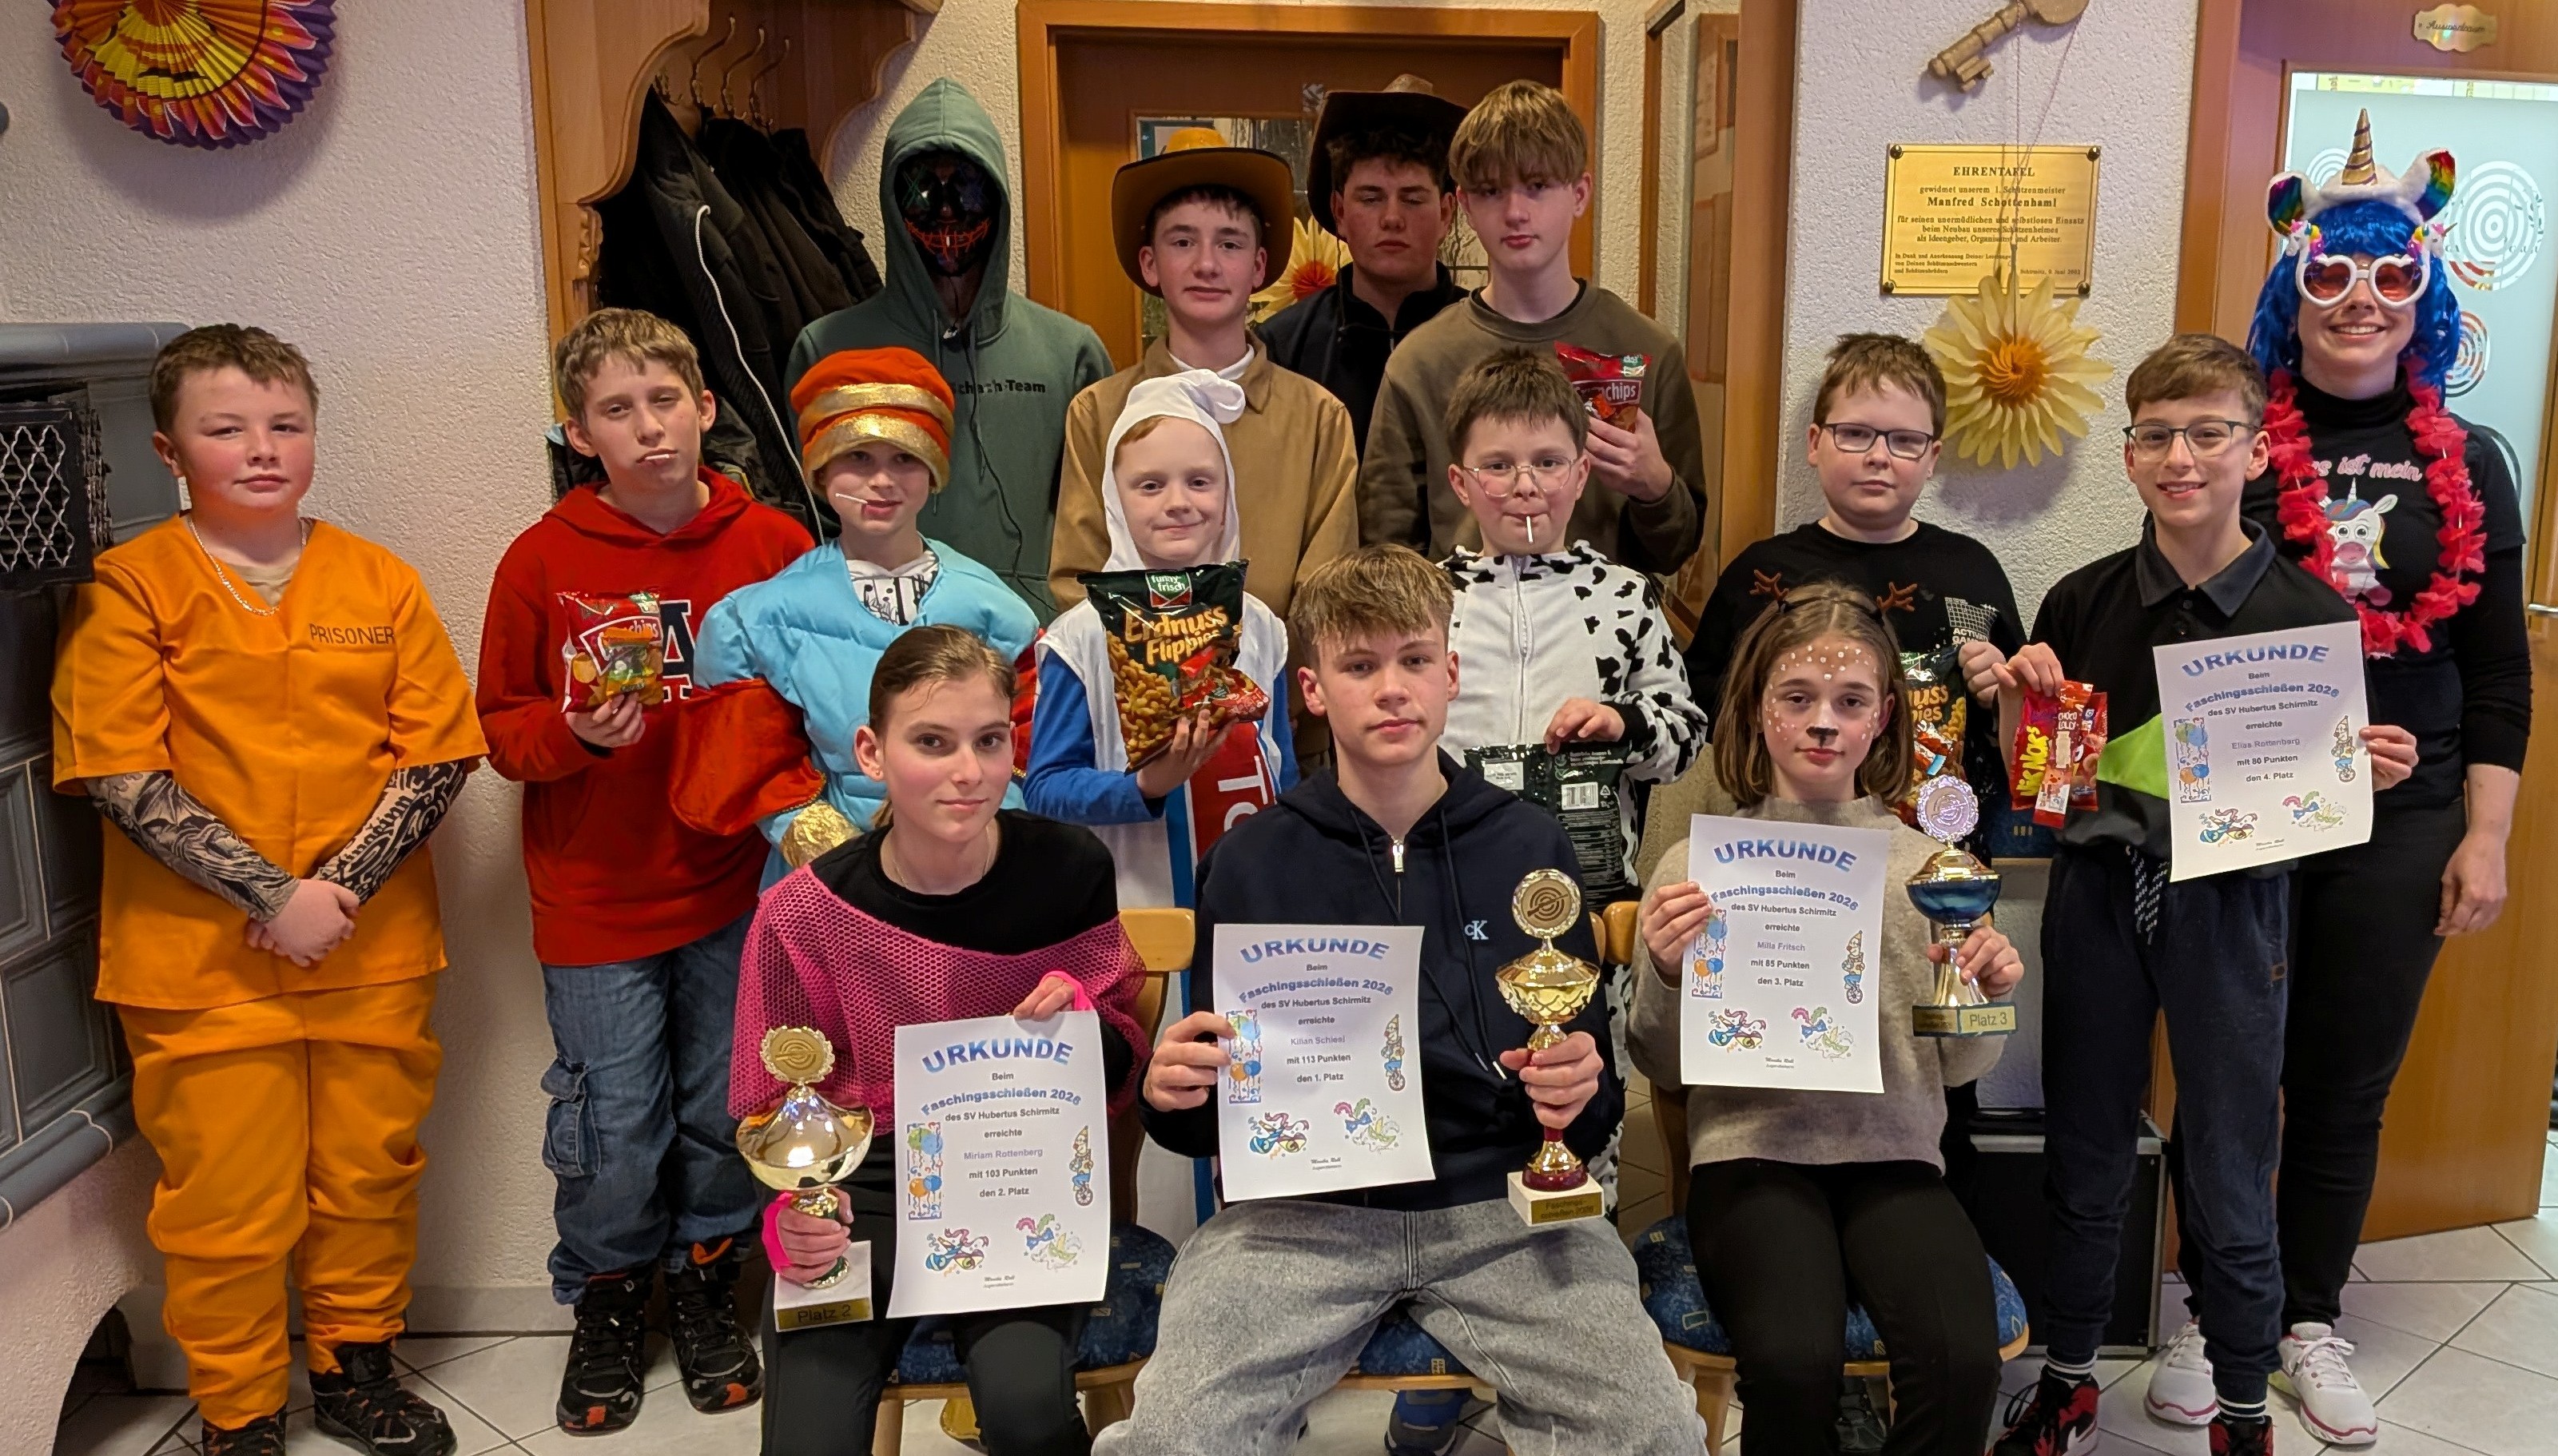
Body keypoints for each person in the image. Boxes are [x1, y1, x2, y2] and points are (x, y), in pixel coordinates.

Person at [1092, 545, 1713, 1456]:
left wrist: (1578, 1088)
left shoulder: (1529, 845)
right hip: (1296, 1219)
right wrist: (1172, 1091)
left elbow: (1590, 1111)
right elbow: (1212, 1113)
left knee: (1652, 1430)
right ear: (1312, 689)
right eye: (1359, 665)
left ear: (1449, 673)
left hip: (1503, 1208)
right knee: (1174, 1438)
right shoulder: (1251, 861)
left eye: (1414, 659)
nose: (1392, 689)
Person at [53, 325, 485, 1456]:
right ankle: (239, 1409)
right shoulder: (128, 587)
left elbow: (438, 753)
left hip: (370, 947)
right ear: (168, 451)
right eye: (226, 428)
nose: (260, 448)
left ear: (313, 437)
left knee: (368, 1174)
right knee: (228, 1201)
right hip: (197, 965)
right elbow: (121, 773)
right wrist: (267, 896)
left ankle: (354, 1368)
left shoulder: (379, 579)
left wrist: (331, 893)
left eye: (285, 425)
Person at [1988, 335, 2421, 1456]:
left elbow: (2320, 805)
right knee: (2087, 1144)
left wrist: (2362, 774)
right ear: (2129, 455)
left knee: (2230, 1159)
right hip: (2100, 891)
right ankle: (2071, 1374)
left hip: (2234, 908)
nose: (2181, 457)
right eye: (2157, 435)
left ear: (2256, 450)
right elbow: (2049, 791)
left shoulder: (2311, 615)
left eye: (2209, 433)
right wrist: (2019, 713)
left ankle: (2240, 1405)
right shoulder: (2081, 599)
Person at [2220, 113, 2532, 1446]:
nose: (2360, 298)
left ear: (2426, 291)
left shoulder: (2471, 461)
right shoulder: (2233, 443)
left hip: (2406, 808)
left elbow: (2500, 670)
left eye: (2391, 272)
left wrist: (2485, 837)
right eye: (2331, 272)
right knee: (2231, 1067)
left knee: (2344, 1079)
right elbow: (2194, 634)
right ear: (2292, 287)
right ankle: (2221, 1307)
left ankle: (2305, 1314)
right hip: (2252, 790)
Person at [478, 308, 813, 1434]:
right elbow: (501, 730)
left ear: (706, 407)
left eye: (665, 400)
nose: (649, 427)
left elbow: (819, 693)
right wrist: (576, 734)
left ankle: (711, 1278)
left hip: (736, 882)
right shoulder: (541, 559)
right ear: (581, 434)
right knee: (612, 1118)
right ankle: (611, 1296)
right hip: (596, 894)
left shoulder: (772, 543)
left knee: (725, 1101)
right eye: (617, 410)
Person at [733, 625, 1150, 1456]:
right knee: (810, 1437)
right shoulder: (803, 913)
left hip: (1019, 1174)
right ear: (871, 752)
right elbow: (769, 1105)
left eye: (989, 741)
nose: (969, 772)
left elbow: (1119, 1063)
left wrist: (1083, 1025)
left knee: (1027, 1409)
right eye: (932, 742)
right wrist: (791, 1213)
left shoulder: (1069, 869)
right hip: (864, 1188)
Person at [1626, 582, 2022, 1455]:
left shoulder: (1932, 871)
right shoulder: (1696, 866)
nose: (1822, 723)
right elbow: (1658, 1059)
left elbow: (1961, 1071)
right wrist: (1666, 971)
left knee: (1960, 1362)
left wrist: (1986, 996)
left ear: (1883, 717)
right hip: (1750, 1157)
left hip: (1896, 1156)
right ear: (1756, 710)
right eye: (1797, 698)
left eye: (1848, 702)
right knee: (1793, 1362)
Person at [695, 346, 1040, 871]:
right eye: (858, 457)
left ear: (933, 471)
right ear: (821, 468)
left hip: (975, 865)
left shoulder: (997, 611)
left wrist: (982, 839)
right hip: (834, 875)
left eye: (905, 458)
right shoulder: (758, 621)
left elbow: (1025, 751)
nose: (882, 480)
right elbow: (754, 763)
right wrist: (828, 847)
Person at [788, 77, 1112, 619]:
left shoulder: (1069, 352)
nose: (945, 213)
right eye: (922, 190)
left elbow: (1103, 520)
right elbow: (808, 514)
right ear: (893, 201)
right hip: (879, 639)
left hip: (1035, 636)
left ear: (997, 196)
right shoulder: (828, 347)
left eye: (965, 189)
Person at [1362, 80, 1707, 580]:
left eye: (1538, 185)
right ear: (1465, 206)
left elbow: (1676, 552)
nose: (1516, 212)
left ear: (1579, 194)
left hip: (1606, 623)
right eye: (1491, 191)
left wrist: (1656, 487)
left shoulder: (1644, 350)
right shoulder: (1420, 363)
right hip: (1462, 623)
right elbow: (1387, 551)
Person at [1686, 335, 2022, 829]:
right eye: (1855, 433)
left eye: (1905, 440)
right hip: (1786, 838)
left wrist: (1998, 694)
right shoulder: (1761, 575)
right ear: (1814, 443)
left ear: (1932, 457)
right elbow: (1703, 707)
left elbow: (2021, 738)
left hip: (1936, 843)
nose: (1879, 456)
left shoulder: (1972, 573)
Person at [1048, 131, 1360, 625]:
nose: (1207, 265)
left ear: (1258, 266)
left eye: (1230, 244)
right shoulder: (1098, 414)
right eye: (1183, 242)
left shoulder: (1319, 419)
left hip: (1280, 672)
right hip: (1132, 673)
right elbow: (1078, 582)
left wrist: (1256, 663)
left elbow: (1329, 593)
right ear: (1150, 263)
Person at [1024, 368, 1298, 908]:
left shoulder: (1261, 625)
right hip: (1133, 905)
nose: (1178, 502)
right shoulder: (1080, 637)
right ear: (1114, 497)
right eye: (1150, 485)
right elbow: (1046, 788)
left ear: (1228, 491)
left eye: (1199, 481)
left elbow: (1282, 771)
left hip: (1245, 902)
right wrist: (1146, 786)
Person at [1259, 77, 1470, 452]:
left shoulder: (1486, 340)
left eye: (1413, 200)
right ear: (1340, 212)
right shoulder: (1284, 348)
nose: (1392, 219)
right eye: (1371, 199)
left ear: (1445, 214)